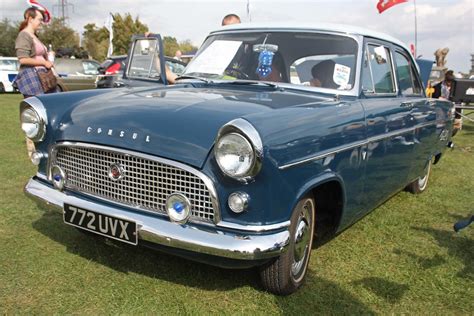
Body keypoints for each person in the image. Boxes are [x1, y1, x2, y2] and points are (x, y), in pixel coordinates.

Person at [14, 6, 56, 98]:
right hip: (32, 78)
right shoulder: (24, 35)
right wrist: (44, 62)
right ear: (30, 19)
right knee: (38, 108)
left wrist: (49, 56)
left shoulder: (35, 36)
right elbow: (23, 59)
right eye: (39, 19)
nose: (41, 23)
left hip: (43, 77)